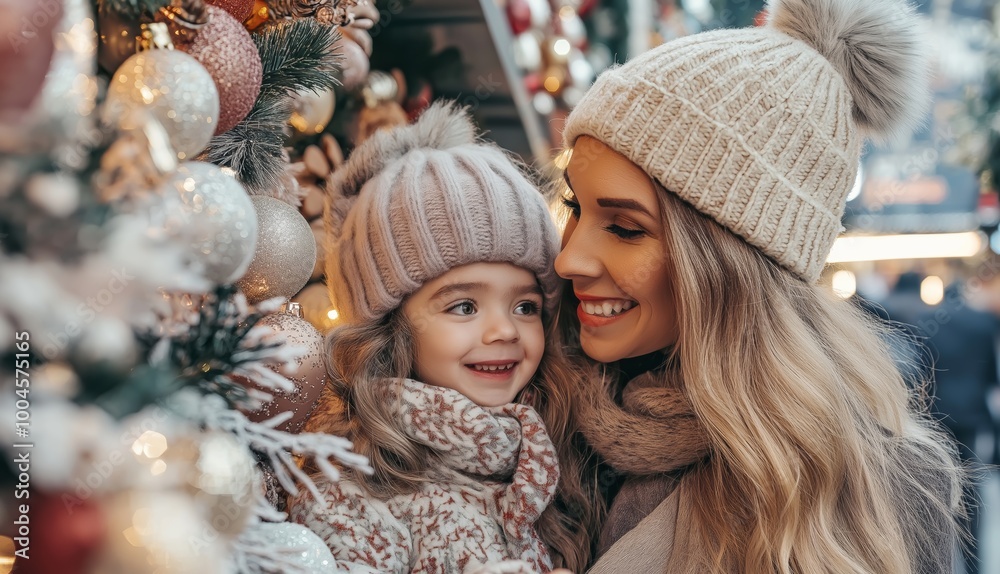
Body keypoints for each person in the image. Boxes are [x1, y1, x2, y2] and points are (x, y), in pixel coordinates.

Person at [554, 0, 965, 572]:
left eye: (625, 228)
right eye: (574, 205)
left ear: (731, 266)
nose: (569, 256)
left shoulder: (875, 498)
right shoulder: (531, 424)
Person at [287, 102, 595, 574]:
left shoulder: (554, 455)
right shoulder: (349, 490)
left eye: (525, 306)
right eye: (464, 306)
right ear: (388, 328)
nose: (505, 330)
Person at [882, 273, 999, 574]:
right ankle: (975, 563)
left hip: (935, 414)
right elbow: (990, 374)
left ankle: (941, 558)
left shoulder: (924, 321)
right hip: (971, 414)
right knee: (971, 488)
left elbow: (920, 371)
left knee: (936, 488)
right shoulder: (982, 322)